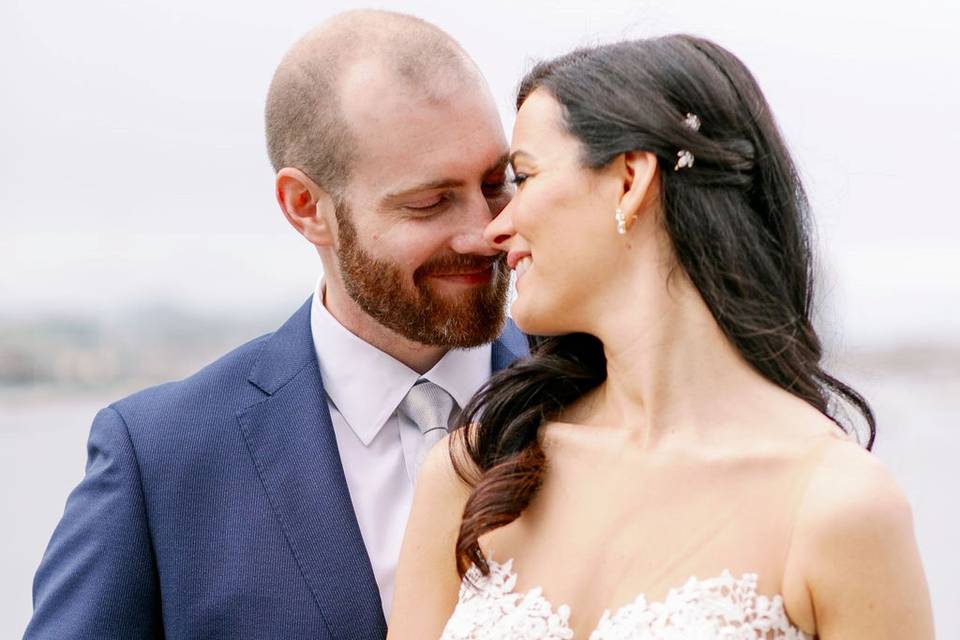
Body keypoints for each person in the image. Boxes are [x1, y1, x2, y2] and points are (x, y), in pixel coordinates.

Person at [389, 35, 934, 639]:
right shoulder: (473, 474)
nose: (496, 227)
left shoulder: (837, 505)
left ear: (629, 181)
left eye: (524, 176)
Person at [25, 10, 526, 640]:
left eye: (496, 182)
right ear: (306, 207)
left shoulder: (606, 389)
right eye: (429, 202)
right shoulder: (158, 459)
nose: (484, 231)